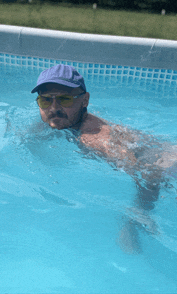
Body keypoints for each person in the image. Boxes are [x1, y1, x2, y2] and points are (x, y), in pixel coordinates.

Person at [31, 64, 177, 253]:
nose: (53, 108)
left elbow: (150, 173)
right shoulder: (64, 120)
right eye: (45, 101)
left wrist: (134, 219)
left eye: (64, 99)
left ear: (85, 101)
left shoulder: (93, 138)